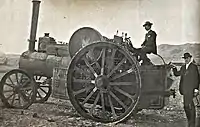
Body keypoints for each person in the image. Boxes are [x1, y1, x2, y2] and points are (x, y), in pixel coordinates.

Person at [172, 52, 200, 127]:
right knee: (186, 106)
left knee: (189, 106)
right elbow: (177, 74)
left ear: (190, 58)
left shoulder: (194, 67)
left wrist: (196, 89)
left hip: (191, 89)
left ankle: (192, 123)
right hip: (184, 90)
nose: (186, 60)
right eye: (185, 58)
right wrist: (174, 68)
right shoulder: (183, 67)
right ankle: (190, 121)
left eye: (187, 58)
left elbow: (197, 78)